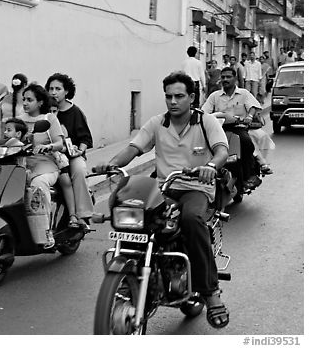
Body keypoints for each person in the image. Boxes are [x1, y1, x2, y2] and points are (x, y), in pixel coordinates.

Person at [94, 71, 230, 328]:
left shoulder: (207, 122)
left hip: (195, 188)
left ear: (191, 97)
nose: (173, 101)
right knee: (133, 213)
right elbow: (134, 148)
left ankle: (211, 294)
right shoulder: (157, 123)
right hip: (165, 187)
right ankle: (128, 276)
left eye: (179, 96)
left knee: (191, 219)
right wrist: (112, 164)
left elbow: (222, 149)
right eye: (168, 96)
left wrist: (211, 165)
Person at [45, 72, 98, 225]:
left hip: (71, 156)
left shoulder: (75, 112)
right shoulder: (44, 112)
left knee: (80, 171)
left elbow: (85, 138)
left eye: (58, 89)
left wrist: (79, 151)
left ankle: (82, 215)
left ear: (66, 91)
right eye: (51, 88)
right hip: (49, 156)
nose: (53, 92)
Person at [19, 83, 65, 249]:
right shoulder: (19, 120)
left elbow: (60, 143)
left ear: (39, 102)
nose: (25, 103)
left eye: (29, 100)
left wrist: (48, 147)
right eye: (23, 99)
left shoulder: (49, 119)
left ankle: (46, 233)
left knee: (38, 184)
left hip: (45, 164)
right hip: (22, 165)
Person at [202, 67, 262, 191]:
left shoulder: (244, 93)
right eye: (223, 77)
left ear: (235, 78)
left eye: (228, 77)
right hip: (218, 128)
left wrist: (249, 116)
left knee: (247, 143)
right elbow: (204, 112)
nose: (225, 79)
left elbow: (253, 106)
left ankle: (250, 175)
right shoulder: (214, 96)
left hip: (238, 128)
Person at [48, 97, 81, 228]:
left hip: (57, 160)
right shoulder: (38, 124)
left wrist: (55, 147)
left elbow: (65, 145)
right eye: (49, 110)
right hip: (39, 160)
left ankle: (73, 215)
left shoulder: (60, 127)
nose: (52, 114)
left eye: (54, 111)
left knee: (65, 181)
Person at [0, 73, 28, 141]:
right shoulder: (26, 100)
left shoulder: (5, 99)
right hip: (19, 135)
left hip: (4, 133)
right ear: (25, 85)